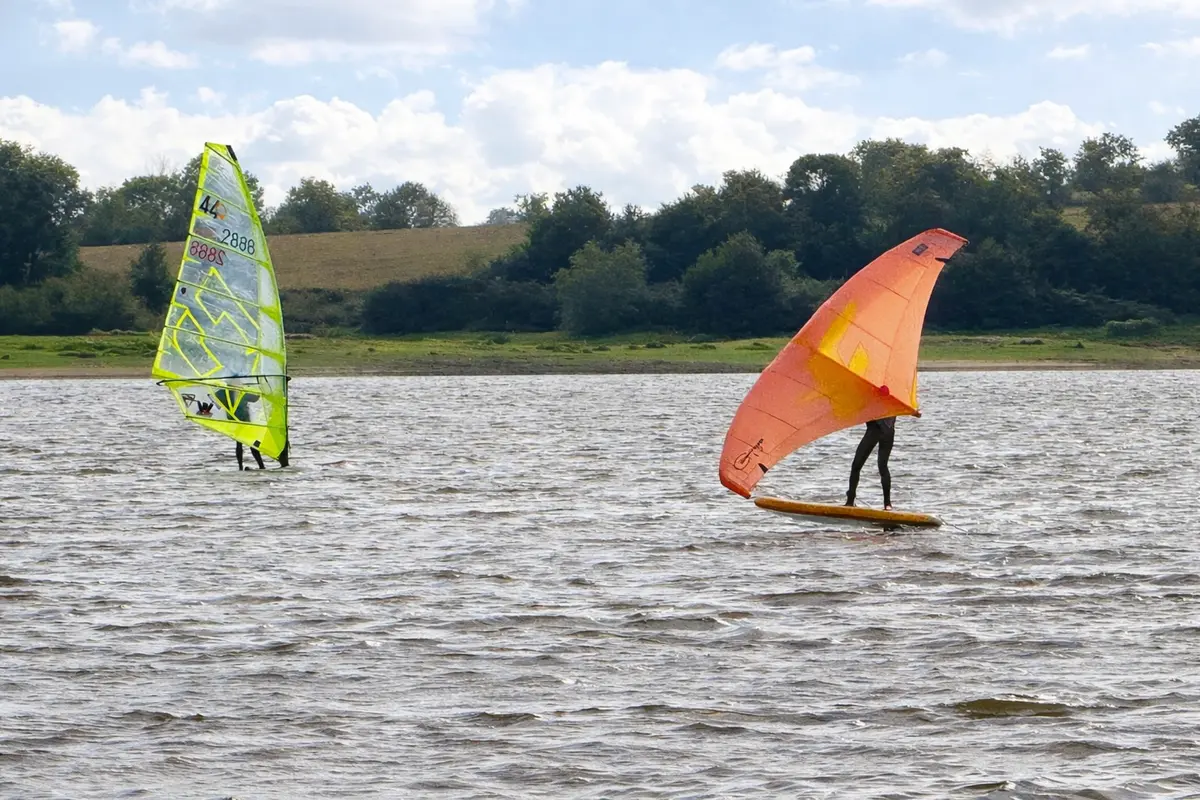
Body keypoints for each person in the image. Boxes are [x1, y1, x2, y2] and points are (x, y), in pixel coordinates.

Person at [845, 411, 920, 510]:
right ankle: (887, 504)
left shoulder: (879, 402)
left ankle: (851, 501)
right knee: (880, 467)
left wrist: (913, 411)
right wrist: (913, 411)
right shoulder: (893, 402)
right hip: (886, 432)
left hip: (876, 431)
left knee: (859, 466)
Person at [214, 387, 265, 471]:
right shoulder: (240, 393)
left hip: (234, 421)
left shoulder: (223, 393)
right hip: (244, 421)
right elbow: (255, 398)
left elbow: (215, 396)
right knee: (252, 444)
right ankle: (261, 466)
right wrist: (260, 389)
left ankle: (240, 467)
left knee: (239, 444)